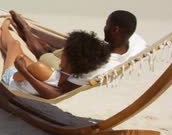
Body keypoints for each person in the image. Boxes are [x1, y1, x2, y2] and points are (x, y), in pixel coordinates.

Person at [0, 9, 111, 99]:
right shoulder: (74, 77)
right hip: (38, 75)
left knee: (15, 45)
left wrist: (22, 68)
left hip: (10, 79)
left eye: (64, 51)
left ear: (67, 57)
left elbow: (16, 78)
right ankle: (0, 33)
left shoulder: (40, 67)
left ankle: (1, 30)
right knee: (17, 51)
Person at [10, 9, 147, 85]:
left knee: (42, 53)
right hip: (76, 55)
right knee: (53, 48)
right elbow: (143, 44)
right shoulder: (136, 44)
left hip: (66, 67)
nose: (104, 27)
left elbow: (71, 78)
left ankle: (25, 30)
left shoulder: (103, 66)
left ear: (115, 30)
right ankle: (26, 33)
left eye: (107, 24)